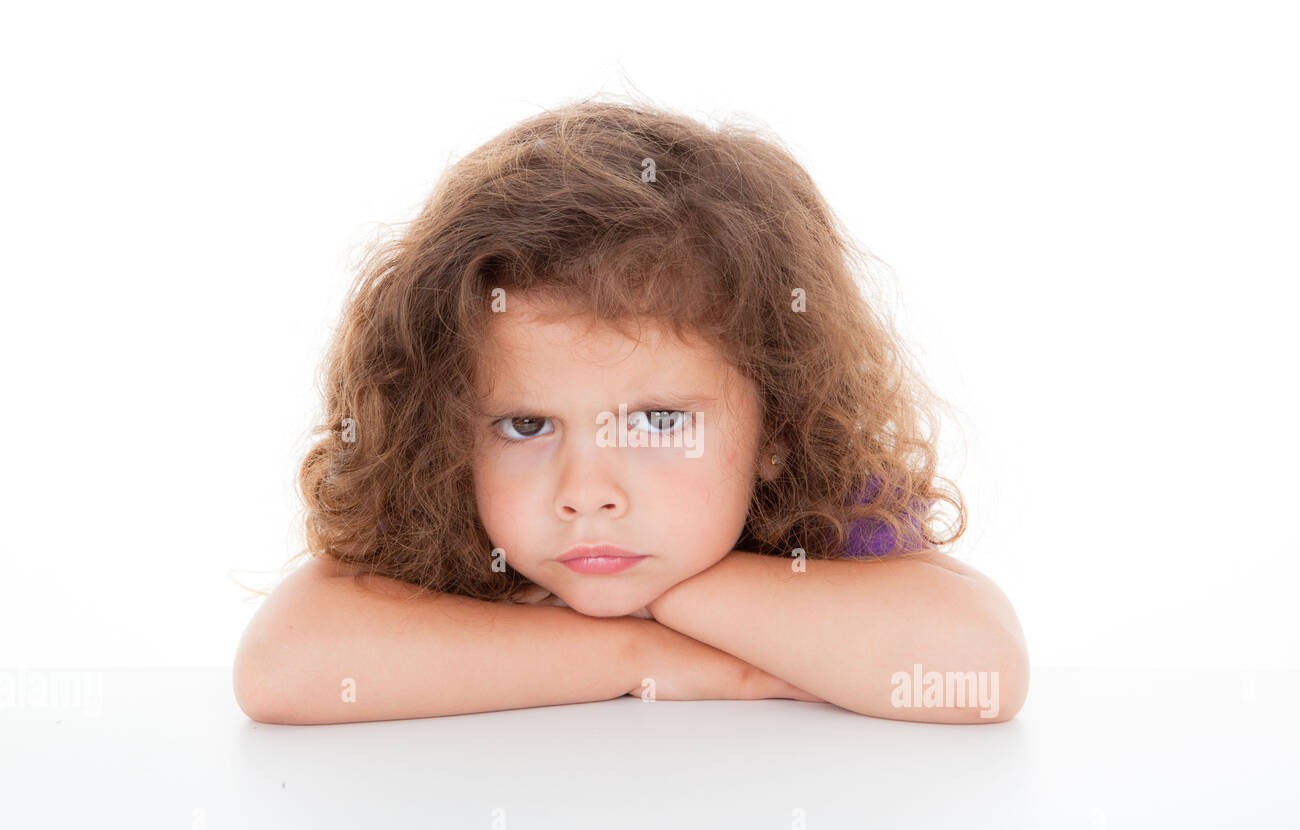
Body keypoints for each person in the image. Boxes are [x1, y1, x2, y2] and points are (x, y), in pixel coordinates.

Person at [233, 96, 1028, 725]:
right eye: (527, 425)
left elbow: (979, 670)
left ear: (777, 432)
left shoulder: (814, 527)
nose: (585, 493)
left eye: (657, 423)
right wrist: (640, 653)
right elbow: (282, 666)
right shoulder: (462, 528)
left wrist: (680, 591)